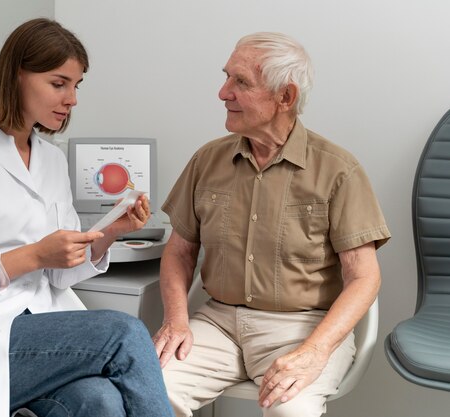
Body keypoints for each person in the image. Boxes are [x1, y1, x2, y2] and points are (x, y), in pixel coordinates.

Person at [0, 18, 174, 417]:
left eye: (76, 86)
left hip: (36, 325)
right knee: (125, 333)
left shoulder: (51, 160)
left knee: (100, 401)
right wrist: (35, 256)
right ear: (17, 76)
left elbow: (59, 275)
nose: (72, 99)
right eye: (59, 83)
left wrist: (113, 230)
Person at [152, 32, 391, 417]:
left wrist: (315, 351)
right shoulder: (206, 161)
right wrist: (176, 320)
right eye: (226, 77)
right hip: (218, 323)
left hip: (302, 326)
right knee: (147, 389)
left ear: (286, 97)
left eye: (240, 82)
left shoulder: (338, 170)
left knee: (290, 410)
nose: (222, 92)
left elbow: (364, 277)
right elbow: (179, 250)